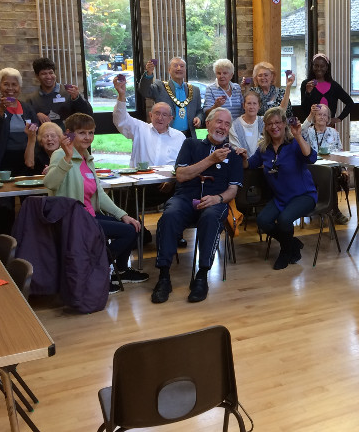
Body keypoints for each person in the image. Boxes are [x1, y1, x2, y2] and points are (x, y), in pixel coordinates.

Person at [43, 113, 149, 291]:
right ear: (68, 134)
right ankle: (94, 269)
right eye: (82, 133)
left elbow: (98, 192)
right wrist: (67, 158)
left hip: (88, 215)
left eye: (91, 133)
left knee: (133, 227)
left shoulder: (86, 157)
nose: (87, 137)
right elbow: (50, 183)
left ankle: (120, 270)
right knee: (127, 233)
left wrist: (122, 214)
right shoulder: (60, 155)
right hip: (72, 219)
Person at [151, 107, 242, 304]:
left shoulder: (234, 154)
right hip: (185, 198)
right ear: (208, 123)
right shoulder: (190, 144)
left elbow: (233, 190)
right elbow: (181, 175)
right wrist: (211, 159)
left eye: (227, 124)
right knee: (170, 214)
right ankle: (164, 276)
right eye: (219, 122)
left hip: (214, 201)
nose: (222, 127)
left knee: (211, 216)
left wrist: (218, 198)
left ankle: (201, 276)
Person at [241, 107, 317, 270]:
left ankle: (285, 251)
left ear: (284, 124)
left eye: (277, 122)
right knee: (263, 220)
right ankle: (291, 243)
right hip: (282, 198)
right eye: (270, 124)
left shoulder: (294, 143)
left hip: (304, 195)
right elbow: (250, 164)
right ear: (266, 127)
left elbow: (311, 157)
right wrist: (242, 157)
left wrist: (297, 136)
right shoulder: (264, 148)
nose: (274, 126)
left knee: (284, 220)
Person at [112, 76, 185, 167]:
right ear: (150, 115)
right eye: (157, 114)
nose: (160, 118)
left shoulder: (179, 137)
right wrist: (121, 95)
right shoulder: (139, 128)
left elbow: (183, 164)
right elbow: (121, 119)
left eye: (164, 115)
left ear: (170, 119)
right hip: (142, 179)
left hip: (169, 180)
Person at [0, 68, 39, 176]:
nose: (10, 88)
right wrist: (1, 109)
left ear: (19, 87)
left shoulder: (27, 107)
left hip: (26, 158)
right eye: (6, 84)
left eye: (14, 84)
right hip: (3, 159)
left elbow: (36, 129)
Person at [301, 103, 347, 225]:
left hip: (331, 168)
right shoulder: (308, 132)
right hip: (312, 169)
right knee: (329, 175)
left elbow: (341, 153)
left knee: (331, 173)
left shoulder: (334, 133)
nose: (322, 117)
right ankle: (334, 210)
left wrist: (343, 168)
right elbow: (299, 131)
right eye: (319, 114)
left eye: (324, 115)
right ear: (314, 117)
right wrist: (310, 115)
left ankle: (331, 208)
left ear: (328, 119)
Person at [139, 57, 204, 139]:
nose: (179, 68)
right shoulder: (160, 87)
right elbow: (144, 91)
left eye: (182, 66)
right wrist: (148, 74)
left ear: (185, 70)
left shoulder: (194, 90)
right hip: (166, 136)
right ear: (169, 70)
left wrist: (199, 118)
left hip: (188, 136)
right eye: (175, 65)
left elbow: (200, 111)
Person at [26, 57, 93, 131]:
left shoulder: (69, 92)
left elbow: (88, 114)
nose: (48, 77)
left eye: (51, 73)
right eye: (44, 74)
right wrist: (36, 115)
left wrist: (78, 98)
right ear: (37, 76)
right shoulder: (32, 99)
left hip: (68, 138)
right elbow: (27, 120)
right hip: (46, 140)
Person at [300, 54, 354, 126]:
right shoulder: (306, 84)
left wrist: (338, 118)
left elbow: (350, 103)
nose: (319, 69)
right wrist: (308, 93)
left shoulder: (334, 86)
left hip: (329, 129)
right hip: (311, 129)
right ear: (312, 67)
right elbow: (303, 109)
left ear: (327, 68)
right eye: (316, 66)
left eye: (322, 66)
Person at [229, 91, 264, 155]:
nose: (251, 107)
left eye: (255, 103)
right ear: (243, 105)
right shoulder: (234, 125)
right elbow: (235, 148)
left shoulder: (264, 122)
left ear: (259, 106)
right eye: (249, 103)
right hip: (242, 162)